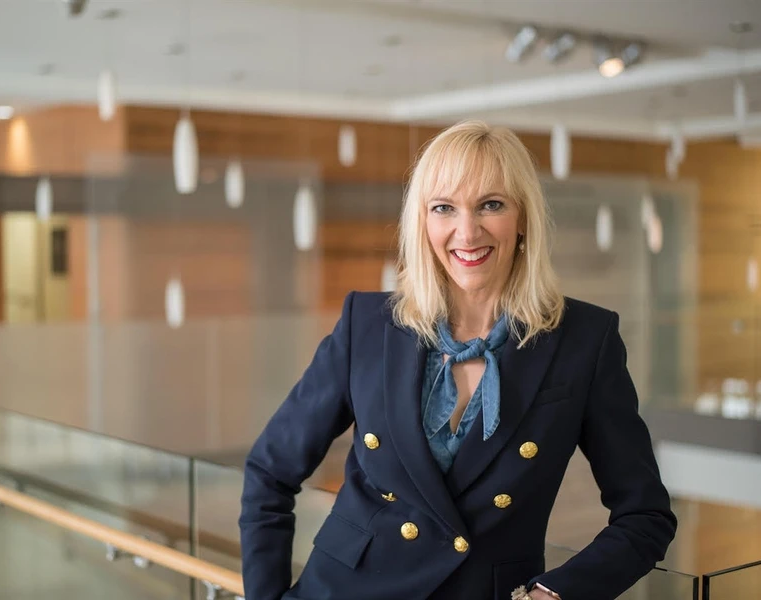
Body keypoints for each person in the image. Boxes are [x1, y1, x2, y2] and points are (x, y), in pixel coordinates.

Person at [239, 120, 677, 600]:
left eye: (491, 204)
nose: (466, 232)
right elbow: (269, 471)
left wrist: (555, 593)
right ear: (422, 222)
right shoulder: (366, 324)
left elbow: (645, 515)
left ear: (523, 216)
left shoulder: (584, 341)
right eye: (444, 208)